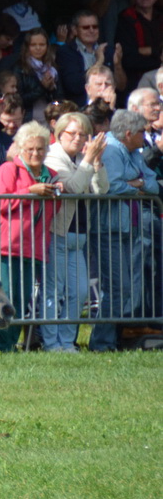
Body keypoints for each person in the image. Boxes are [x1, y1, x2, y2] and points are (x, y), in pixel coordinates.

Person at [0, 122, 60, 349]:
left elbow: (54, 211)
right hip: (2, 248)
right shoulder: (8, 170)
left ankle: (7, 346)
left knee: (21, 302)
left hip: (32, 248)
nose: (35, 153)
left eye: (40, 149)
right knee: (3, 301)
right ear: (21, 149)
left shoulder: (51, 176)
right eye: (30, 149)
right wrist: (30, 192)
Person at [38, 112, 107, 351]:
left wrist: (96, 162)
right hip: (56, 232)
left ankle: (66, 342)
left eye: (82, 134)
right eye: (72, 133)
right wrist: (88, 158)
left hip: (78, 235)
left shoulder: (81, 158)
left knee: (78, 293)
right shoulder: (52, 156)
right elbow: (76, 187)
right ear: (60, 134)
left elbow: (101, 190)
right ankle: (50, 343)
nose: (78, 138)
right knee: (53, 291)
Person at [91, 110, 160, 350]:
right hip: (108, 229)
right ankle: (102, 343)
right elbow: (111, 188)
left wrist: (137, 184)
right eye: (143, 131)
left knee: (126, 288)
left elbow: (151, 182)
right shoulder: (111, 150)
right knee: (117, 289)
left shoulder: (133, 151)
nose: (146, 135)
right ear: (129, 133)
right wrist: (137, 185)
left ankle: (109, 340)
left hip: (127, 228)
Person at [114, 0, 160, 89]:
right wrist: (158, 54)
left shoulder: (161, 17)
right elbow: (128, 58)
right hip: (137, 82)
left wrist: (150, 51)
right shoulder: (126, 18)